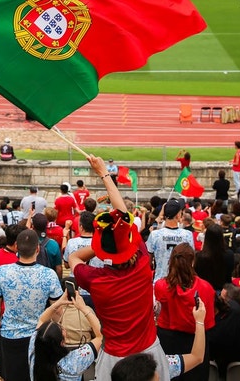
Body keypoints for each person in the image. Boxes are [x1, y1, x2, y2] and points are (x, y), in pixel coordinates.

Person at [69, 154, 170, 381]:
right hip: (149, 351)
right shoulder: (143, 263)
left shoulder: (96, 279)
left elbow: (74, 257)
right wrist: (104, 173)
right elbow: (124, 214)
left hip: (114, 359)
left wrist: (103, 244)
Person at [0, 229, 63, 380]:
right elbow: (57, 310)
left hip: (10, 334)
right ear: (37, 248)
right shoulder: (49, 274)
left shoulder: (2, 272)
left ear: (16, 247)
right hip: (37, 336)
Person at [154, 242, 215, 381]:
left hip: (167, 341)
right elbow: (209, 323)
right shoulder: (206, 288)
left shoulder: (160, 286)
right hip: (195, 342)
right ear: (192, 262)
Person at [29, 290, 102, 381]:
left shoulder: (34, 350)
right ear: (62, 343)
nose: (62, 326)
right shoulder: (74, 361)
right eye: (62, 329)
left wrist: (59, 302)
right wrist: (84, 308)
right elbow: (101, 336)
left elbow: (42, 320)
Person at [147, 199, 195, 282]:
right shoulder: (187, 235)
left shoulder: (155, 235)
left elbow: (148, 261)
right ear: (178, 215)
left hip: (160, 280)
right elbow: (191, 261)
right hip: (181, 281)